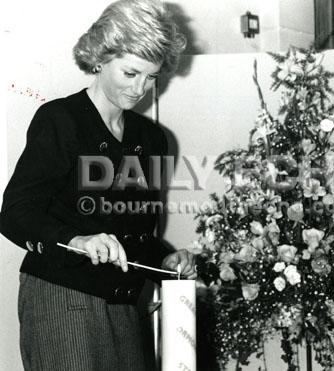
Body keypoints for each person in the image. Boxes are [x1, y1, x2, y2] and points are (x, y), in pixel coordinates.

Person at [0, 0, 196, 370]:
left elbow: (135, 231)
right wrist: (78, 241)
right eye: (130, 73)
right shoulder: (61, 120)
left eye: (151, 77)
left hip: (123, 305)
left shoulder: (151, 138)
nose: (140, 88)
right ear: (101, 58)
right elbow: (14, 215)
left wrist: (165, 259)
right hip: (63, 298)